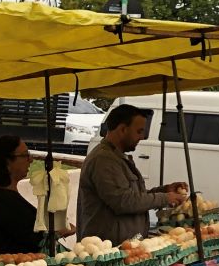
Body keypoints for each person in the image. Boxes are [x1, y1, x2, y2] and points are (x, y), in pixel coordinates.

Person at [77, 105, 186, 245]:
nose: (142, 137)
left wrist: (164, 190)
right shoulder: (103, 160)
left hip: (126, 245)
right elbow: (124, 201)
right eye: (139, 131)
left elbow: (133, 195)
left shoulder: (116, 157)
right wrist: (165, 198)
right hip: (107, 251)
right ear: (122, 129)